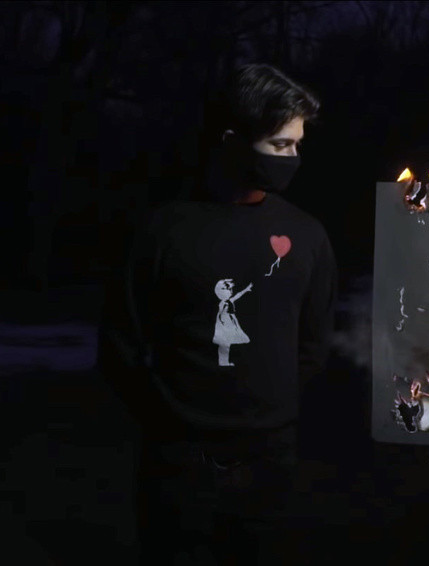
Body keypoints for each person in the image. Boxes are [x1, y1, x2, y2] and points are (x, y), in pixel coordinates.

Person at [96, 63, 336, 565]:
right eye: (279, 145)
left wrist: (271, 411)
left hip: (269, 457)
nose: (293, 158)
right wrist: (170, 416)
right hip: (177, 458)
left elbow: (313, 344)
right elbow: (120, 342)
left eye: (297, 145)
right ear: (232, 141)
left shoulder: (307, 236)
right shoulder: (162, 229)